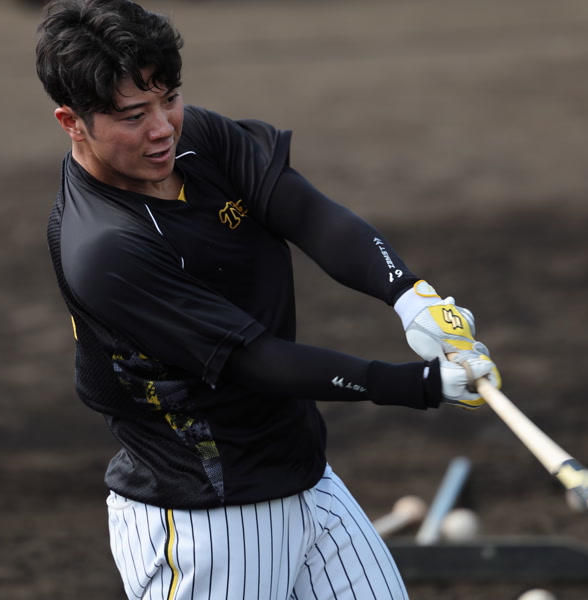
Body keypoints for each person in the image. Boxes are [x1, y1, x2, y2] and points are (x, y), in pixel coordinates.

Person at [36, 1, 501, 598]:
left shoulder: (196, 137)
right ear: (72, 121)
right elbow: (252, 359)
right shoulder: (106, 247)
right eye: (133, 115)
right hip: (206, 520)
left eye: (168, 98)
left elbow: (307, 213)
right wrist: (417, 385)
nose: (162, 128)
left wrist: (411, 295)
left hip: (307, 480)